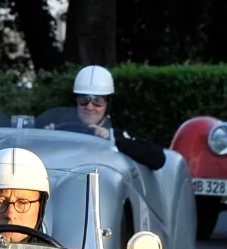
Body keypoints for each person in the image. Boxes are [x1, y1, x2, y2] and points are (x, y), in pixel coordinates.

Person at [38, 65, 166, 170]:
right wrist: (47, 137)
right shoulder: (63, 129)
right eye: (83, 100)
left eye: (97, 101)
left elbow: (157, 158)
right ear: (76, 102)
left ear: (107, 104)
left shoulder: (116, 134)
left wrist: (113, 140)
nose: (89, 107)